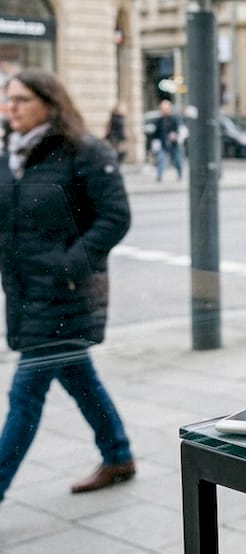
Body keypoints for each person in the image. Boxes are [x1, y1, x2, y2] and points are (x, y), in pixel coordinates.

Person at [0, 69, 135, 505]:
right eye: (7, 99)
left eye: (21, 99)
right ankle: (118, 454)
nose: (10, 108)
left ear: (50, 104)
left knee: (25, 396)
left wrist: (69, 265)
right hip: (24, 292)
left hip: (66, 293)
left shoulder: (83, 151)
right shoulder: (12, 155)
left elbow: (115, 216)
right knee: (79, 376)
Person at [152, 99, 183, 181]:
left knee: (177, 160)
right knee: (161, 159)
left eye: (166, 109)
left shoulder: (174, 119)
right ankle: (159, 176)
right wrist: (154, 145)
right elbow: (156, 133)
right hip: (163, 144)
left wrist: (175, 135)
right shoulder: (159, 120)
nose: (164, 111)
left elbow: (179, 129)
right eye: (162, 109)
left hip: (174, 143)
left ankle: (180, 174)